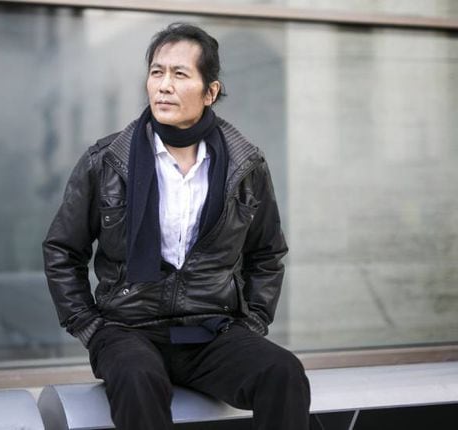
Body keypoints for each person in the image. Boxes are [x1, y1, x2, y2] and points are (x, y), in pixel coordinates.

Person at [44, 23, 310, 430]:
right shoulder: (106, 161)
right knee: (138, 379)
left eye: (180, 74)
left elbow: (267, 253)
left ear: (210, 92)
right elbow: (63, 249)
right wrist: (89, 326)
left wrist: (254, 321)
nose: (164, 86)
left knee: (283, 372)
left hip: (211, 329)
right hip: (127, 328)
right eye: (157, 72)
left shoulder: (245, 166)